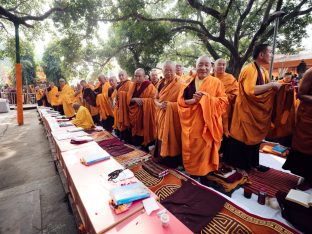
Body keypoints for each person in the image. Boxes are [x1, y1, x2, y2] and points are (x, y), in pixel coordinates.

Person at [223, 44, 282, 171]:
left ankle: (253, 163)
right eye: (270, 52)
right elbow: (251, 90)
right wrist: (271, 85)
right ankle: (239, 165)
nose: (271, 55)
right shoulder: (249, 69)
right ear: (261, 55)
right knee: (242, 139)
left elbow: (265, 91)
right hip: (245, 111)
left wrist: (280, 86)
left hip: (256, 111)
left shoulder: (263, 70)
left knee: (255, 139)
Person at [178, 55, 228, 179]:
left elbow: (223, 103)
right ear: (196, 66)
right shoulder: (188, 81)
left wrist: (207, 99)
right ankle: (190, 169)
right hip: (189, 121)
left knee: (204, 148)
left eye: (207, 65)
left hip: (206, 124)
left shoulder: (216, 82)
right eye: (200, 64)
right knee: (189, 146)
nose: (203, 68)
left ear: (211, 67)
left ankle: (203, 171)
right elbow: (181, 101)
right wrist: (192, 101)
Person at [283, 68, 312, 188]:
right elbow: (300, 94)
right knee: (306, 149)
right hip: (308, 118)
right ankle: (308, 179)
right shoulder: (310, 73)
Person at [154, 61, 183, 168]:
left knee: (172, 137)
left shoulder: (181, 83)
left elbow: (183, 103)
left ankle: (173, 161)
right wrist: (159, 105)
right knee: (161, 135)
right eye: (166, 70)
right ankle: (162, 158)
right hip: (161, 114)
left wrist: (170, 105)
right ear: (163, 71)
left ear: (175, 71)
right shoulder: (160, 83)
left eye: (171, 70)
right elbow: (155, 99)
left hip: (174, 117)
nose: (168, 73)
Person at [127, 68, 157, 147]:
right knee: (136, 139)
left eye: (139, 76)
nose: (137, 78)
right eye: (135, 76)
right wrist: (134, 99)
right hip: (134, 115)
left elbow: (155, 100)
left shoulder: (149, 86)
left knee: (144, 136)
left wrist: (142, 100)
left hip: (145, 115)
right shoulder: (132, 85)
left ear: (144, 76)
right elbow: (128, 99)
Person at [214, 58, 239, 152]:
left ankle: (223, 153)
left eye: (224, 65)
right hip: (211, 108)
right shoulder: (209, 77)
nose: (221, 66)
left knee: (225, 131)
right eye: (219, 64)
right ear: (214, 66)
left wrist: (222, 98)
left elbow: (236, 93)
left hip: (225, 108)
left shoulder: (230, 78)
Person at [266, 72, 295, 146]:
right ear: (284, 77)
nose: (288, 79)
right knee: (276, 121)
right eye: (287, 78)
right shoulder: (279, 83)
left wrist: (290, 91)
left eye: (289, 78)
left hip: (286, 108)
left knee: (284, 122)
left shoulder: (292, 85)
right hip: (278, 106)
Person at [114, 70, 131, 140]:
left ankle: (128, 139)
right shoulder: (119, 85)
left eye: (122, 75)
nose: (121, 77)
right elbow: (117, 95)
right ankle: (123, 137)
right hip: (120, 107)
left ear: (126, 75)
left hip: (127, 107)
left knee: (127, 123)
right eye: (119, 75)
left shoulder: (130, 84)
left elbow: (130, 96)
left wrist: (122, 95)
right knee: (121, 122)